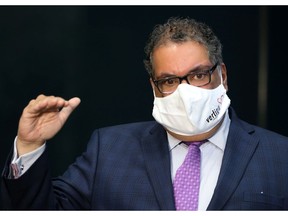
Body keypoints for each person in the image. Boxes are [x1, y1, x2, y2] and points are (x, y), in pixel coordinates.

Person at [1, 17, 288, 210]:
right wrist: (29, 146)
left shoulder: (279, 156)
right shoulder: (110, 150)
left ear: (222, 75)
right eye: (170, 81)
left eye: (199, 75)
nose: (185, 92)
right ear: (155, 87)